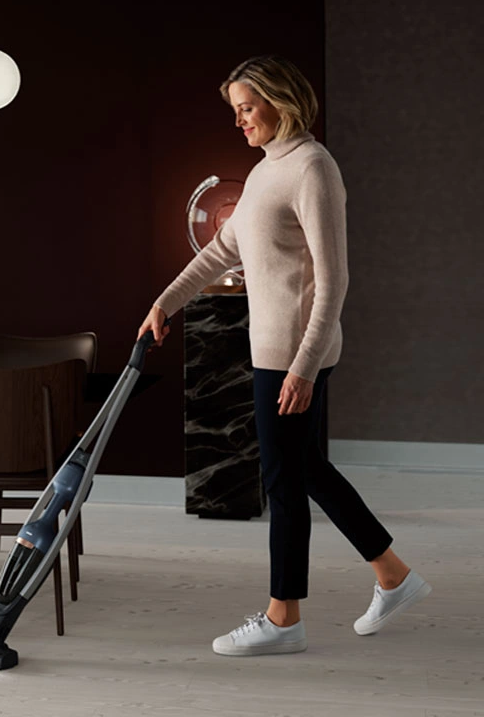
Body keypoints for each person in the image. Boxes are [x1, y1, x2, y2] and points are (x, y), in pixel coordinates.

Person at [138, 55, 431, 656]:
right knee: (306, 470)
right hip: (276, 351)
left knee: (282, 477)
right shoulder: (265, 170)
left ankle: (284, 617)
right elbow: (221, 250)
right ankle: (393, 575)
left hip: (296, 353)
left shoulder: (313, 168)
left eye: (247, 108)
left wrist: (303, 364)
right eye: (236, 110)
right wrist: (166, 302)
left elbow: (334, 278)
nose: (239, 121)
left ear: (280, 102)